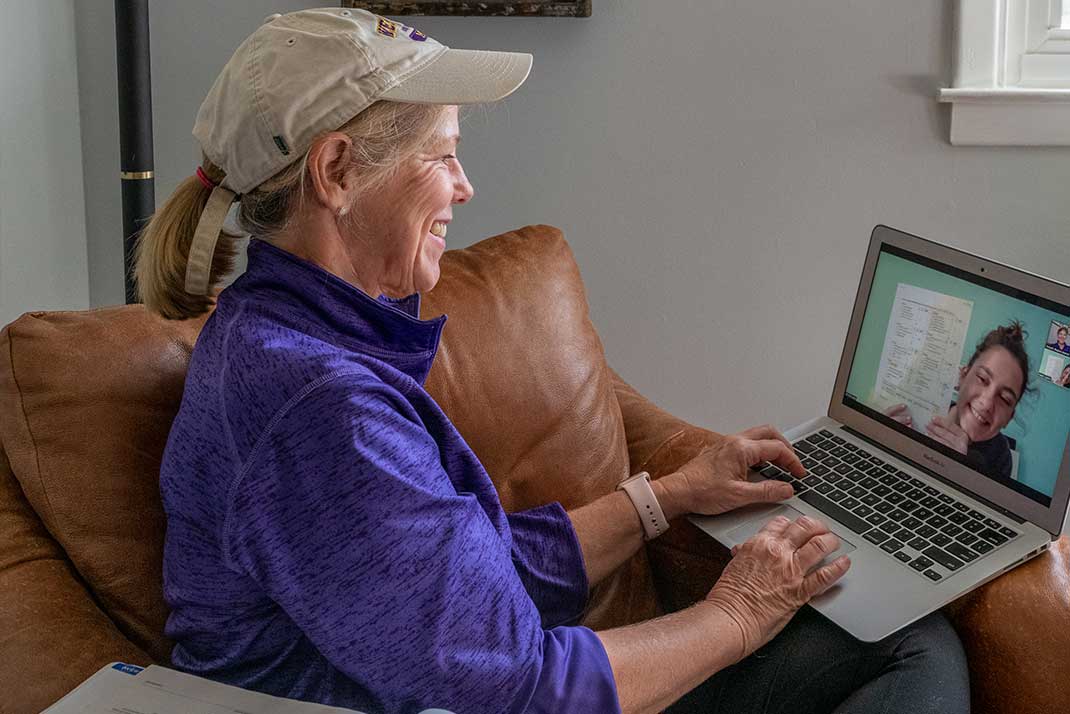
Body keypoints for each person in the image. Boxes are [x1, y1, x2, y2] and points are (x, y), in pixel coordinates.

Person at [136, 9, 968, 714]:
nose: (464, 187)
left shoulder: (288, 338)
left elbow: (471, 580)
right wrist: (740, 613)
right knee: (912, 652)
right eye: (442, 155)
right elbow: (518, 689)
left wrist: (669, 494)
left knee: (906, 639)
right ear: (337, 171)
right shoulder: (319, 408)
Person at [886, 322, 1029, 480]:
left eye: (1004, 398)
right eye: (982, 379)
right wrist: (882, 436)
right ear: (963, 376)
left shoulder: (1001, 457)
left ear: (1009, 418)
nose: (987, 403)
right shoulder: (921, 408)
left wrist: (960, 468)